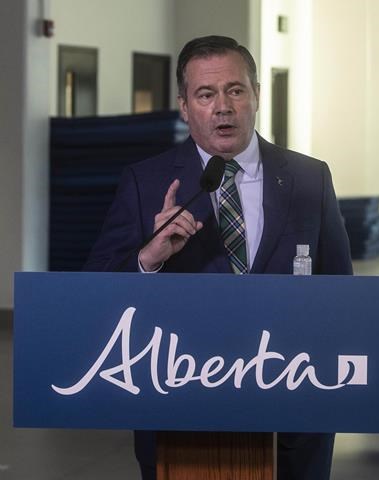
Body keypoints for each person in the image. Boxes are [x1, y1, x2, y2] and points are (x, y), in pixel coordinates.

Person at [84, 35, 353, 480]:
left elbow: (342, 293)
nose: (222, 107)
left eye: (235, 90)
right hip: (182, 414)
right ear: (184, 107)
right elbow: (93, 292)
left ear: (256, 95)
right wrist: (149, 258)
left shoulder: (310, 178)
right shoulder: (145, 182)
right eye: (206, 95)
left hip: (291, 415)